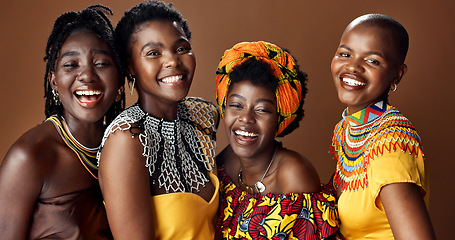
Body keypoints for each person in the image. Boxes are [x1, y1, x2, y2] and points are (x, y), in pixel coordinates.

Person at [96, 1, 219, 239]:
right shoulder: (126, 139)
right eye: (153, 53)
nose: (173, 61)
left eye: (181, 48)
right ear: (130, 66)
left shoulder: (203, 115)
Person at [0, 5, 124, 239]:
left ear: (119, 79)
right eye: (71, 64)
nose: (87, 75)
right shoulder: (29, 157)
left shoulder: (127, 147)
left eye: (101, 64)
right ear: (54, 81)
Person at [215, 41, 339, 240]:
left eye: (262, 109)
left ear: (279, 119)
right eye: (236, 105)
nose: (245, 118)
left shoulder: (294, 174)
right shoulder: (227, 160)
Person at [329, 13, 436, 239]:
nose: (352, 67)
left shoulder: (391, 144)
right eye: (345, 54)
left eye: (372, 61)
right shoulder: (346, 129)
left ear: (397, 74)